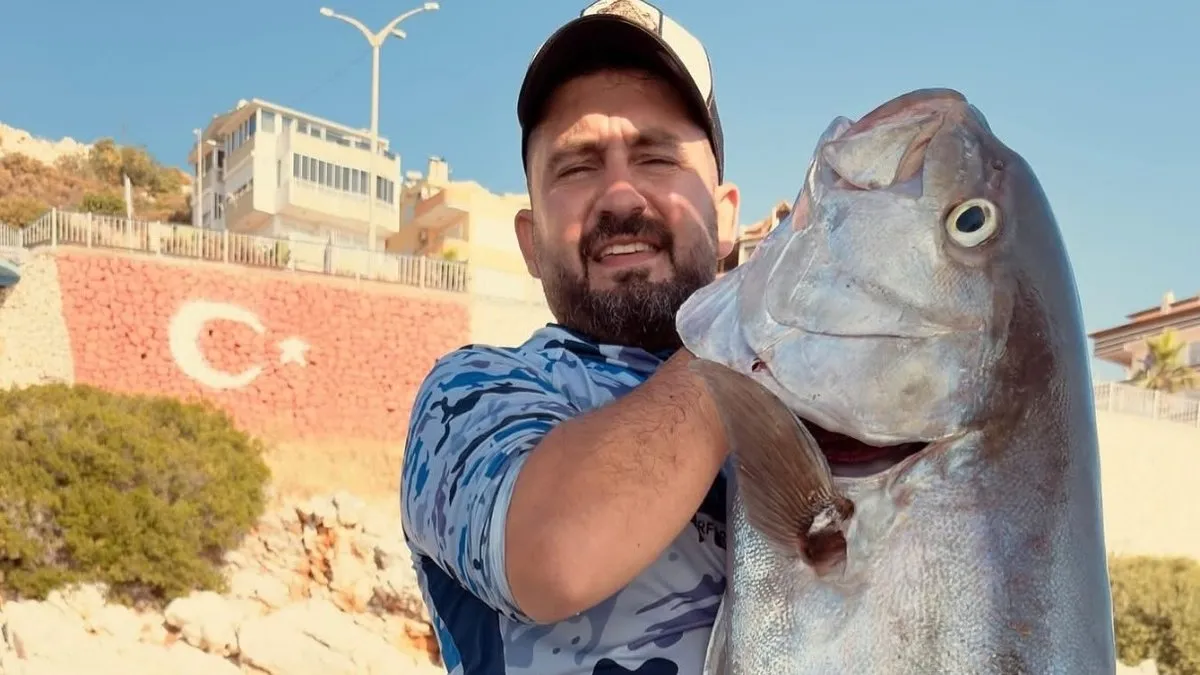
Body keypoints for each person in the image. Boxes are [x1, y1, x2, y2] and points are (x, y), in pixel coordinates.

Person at [400, 1, 741, 672]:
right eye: (577, 167)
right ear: (531, 241)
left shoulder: (820, 403)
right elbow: (556, 552)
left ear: (726, 217)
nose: (620, 196)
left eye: (656, 157)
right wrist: (752, 324)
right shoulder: (467, 396)